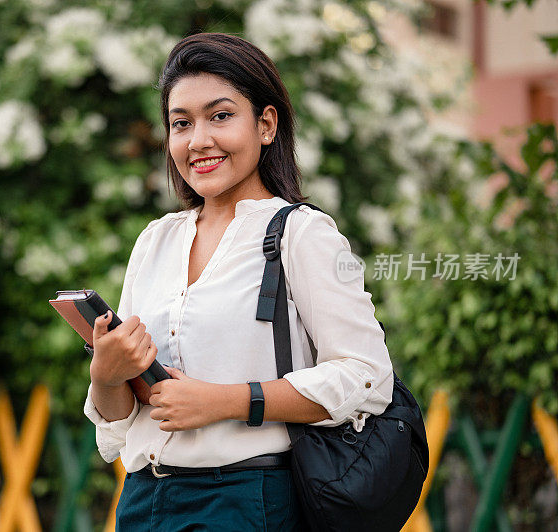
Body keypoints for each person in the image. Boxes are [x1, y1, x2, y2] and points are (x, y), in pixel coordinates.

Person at [83, 32, 394, 531]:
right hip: (144, 503)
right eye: (181, 123)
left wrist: (225, 401)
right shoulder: (156, 241)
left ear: (266, 124)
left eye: (220, 116)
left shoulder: (300, 233)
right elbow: (120, 425)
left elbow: (366, 375)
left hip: (248, 501)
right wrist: (107, 373)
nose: (199, 140)